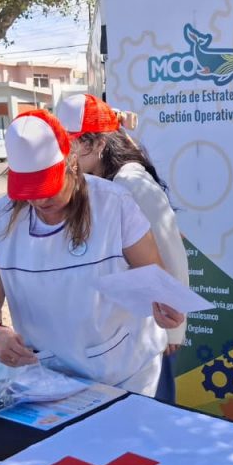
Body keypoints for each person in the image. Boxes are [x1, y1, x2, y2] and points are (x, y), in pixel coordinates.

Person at [0, 109, 183, 396]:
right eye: (29, 191)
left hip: (120, 376)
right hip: (45, 377)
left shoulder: (114, 204)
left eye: (47, 186)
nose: (40, 199)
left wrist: (165, 308)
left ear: (71, 164)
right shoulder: (3, 216)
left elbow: (154, 276)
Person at [54, 94, 189, 354]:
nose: (66, 158)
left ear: (96, 144)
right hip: (115, 330)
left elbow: (171, 255)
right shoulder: (99, 181)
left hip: (147, 333)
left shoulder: (131, 183)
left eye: (71, 146)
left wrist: (172, 330)